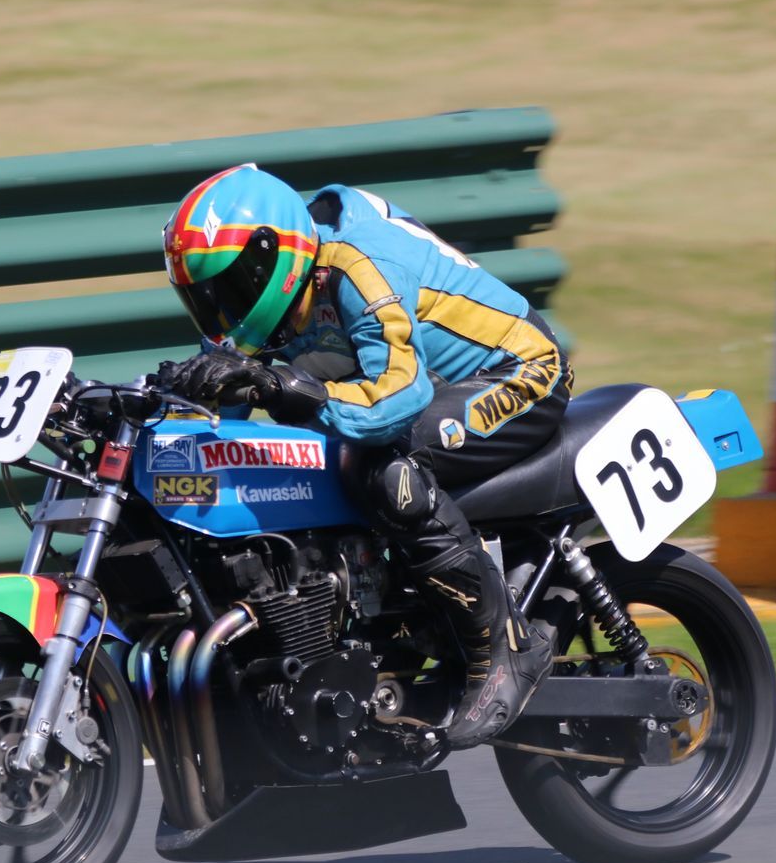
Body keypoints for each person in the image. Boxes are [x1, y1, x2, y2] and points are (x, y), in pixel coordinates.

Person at [159, 164, 571, 747]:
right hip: (436, 389)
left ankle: (506, 650)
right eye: (205, 299)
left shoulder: (354, 266)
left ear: (272, 258)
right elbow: (216, 411)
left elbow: (399, 399)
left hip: (520, 370)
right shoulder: (258, 315)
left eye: (229, 288)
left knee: (386, 471)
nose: (220, 311)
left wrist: (284, 390)